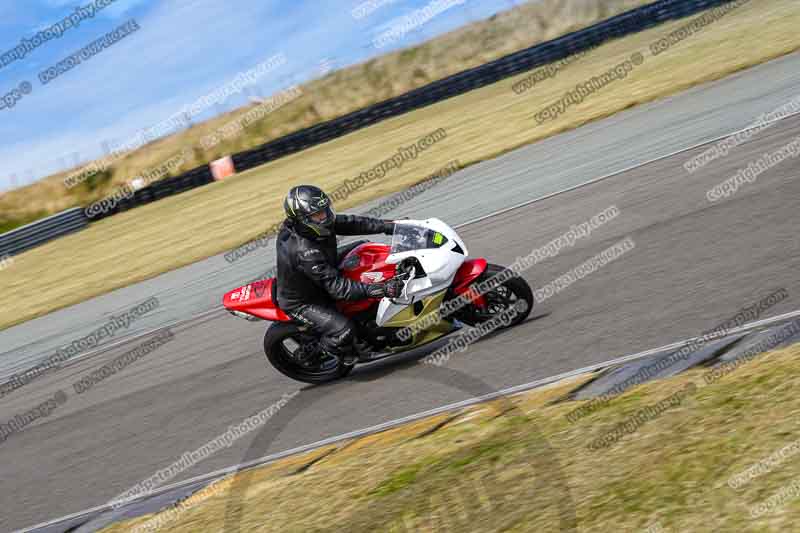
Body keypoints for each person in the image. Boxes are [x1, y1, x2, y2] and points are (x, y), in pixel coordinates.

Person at [275, 185, 404, 365]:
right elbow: (338, 288)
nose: (325, 217)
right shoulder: (304, 251)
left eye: (325, 211)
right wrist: (379, 289)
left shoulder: (310, 225)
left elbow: (352, 223)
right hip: (305, 301)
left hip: (322, 269)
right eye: (317, 215)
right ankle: (323, 350)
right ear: (302, 219)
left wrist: (390, 226)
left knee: (365, 248)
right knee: (344, 330)